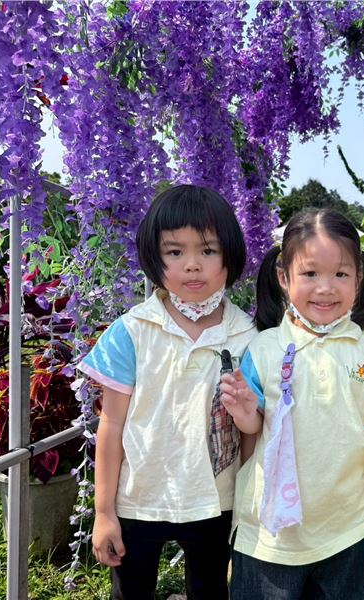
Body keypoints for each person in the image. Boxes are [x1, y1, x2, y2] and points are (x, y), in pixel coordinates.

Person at [219, 208, 364, 599]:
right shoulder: (263, 349)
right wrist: (244, 414)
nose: (326, 288)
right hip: (269, 538)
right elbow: (255, 428)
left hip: (347, 532)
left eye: (340, 274)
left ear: (359, 279)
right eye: (310, 274)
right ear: (283, 277)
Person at [77, 185, 256, 599]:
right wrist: (103, 513)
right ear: (153, 258)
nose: (192, 265)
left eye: (208, 250)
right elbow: (111, 423)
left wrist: (249, 506)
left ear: (230, 255)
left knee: (210, 591)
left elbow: (254, 431)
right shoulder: (133, 330)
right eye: (175, 252)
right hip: (138, 498)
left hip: (216, 500)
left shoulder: (247, 335)